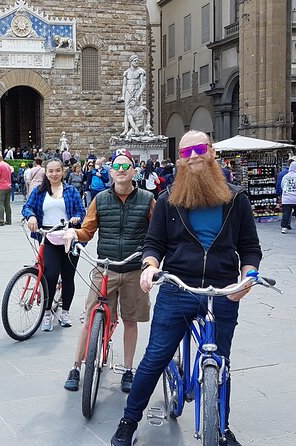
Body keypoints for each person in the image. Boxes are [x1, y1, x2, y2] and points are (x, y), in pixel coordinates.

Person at [111, 130, 262, 446]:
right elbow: (154, 244)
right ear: (179, 159)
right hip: (178, 287)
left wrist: (248, 277)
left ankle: (221, 427)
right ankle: (129, 420)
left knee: (222, 361)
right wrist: (150, 267)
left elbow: (250, 247)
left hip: (223, 289)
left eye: (199, 148)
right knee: (154, 358)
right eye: (185, 151)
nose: (193, 155)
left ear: (211, 152)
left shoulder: (236, 199)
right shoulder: (168, 201)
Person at [62, 149, 155, 393]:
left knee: (130, 320)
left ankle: (127, 369)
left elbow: (156, 235)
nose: (122, 171)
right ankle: (76, 367)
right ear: (110, 172)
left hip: (135, 269)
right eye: (117, 167)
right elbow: (87, 230)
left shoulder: (147, 199)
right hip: (105, 267)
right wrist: (74, 234)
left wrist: (152, 261)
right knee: (90, 316)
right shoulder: (101, 199)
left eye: (126, 167)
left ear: (134, 171)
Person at [22, 158, 85, 331]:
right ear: (46, 172)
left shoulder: (71, 191)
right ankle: (47, 313)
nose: (54, 174)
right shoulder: (39, 191)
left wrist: (77, 218)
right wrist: (31, 216)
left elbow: (81, 211)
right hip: (48, 237)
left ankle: (65, 312)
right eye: (50, 171)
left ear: (63, 171)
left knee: (68, 277)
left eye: (57, 170)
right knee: (49, 276)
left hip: (69, 237)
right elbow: (27, 207)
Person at [280, 161, 296, 234]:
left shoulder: (285, 176)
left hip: (287, 198)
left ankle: (284, 227)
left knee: (286, 213)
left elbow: (282, 186)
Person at [0, 153, 12, 226]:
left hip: (1, 187)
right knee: (7, 204)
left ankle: (1, 220)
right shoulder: (7, 165)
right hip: (8, 186)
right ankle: (8, 220)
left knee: (0, 204)